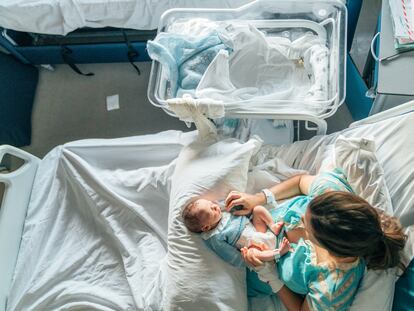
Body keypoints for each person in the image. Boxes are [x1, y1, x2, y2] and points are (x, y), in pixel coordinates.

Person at [225, 168, 407, 311]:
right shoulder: (332, 198)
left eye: (307, 226)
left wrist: (271, 276)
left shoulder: (331, 286)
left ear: (328, 246)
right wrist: (258, 198)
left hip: (237, 275)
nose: (302, 218)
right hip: (239, 222)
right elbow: (300, 182)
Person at [182, 198, 290, 268]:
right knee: (251, 254)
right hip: (253, 245)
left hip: (257, 230)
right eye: (211, 210)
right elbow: (229, 255)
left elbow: (241, 210)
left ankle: (272, 226)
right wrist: (245, 260)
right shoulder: (215, 237)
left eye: (211, 203)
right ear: (206, 227)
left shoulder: (224, 214)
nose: (215, 206)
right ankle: (278, 253)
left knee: (258, 209)